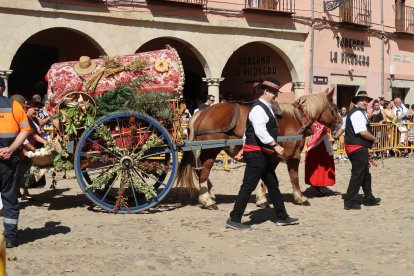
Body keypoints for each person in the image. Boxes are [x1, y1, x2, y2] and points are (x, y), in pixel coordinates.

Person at [226, 78, 299, 230]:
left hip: (262, 154)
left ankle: (281, 216)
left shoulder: (266, 108)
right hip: (257, 154)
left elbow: (248, 131)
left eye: (276, 93)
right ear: (266, 91)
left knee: (273, 184)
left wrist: (244, 147)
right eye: (273, 93)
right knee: (248, 186)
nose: (275, 96)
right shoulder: (259, 109)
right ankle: (234, 218)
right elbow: (259, 131)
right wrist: (275, 145)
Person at [0, 78, 31, 248]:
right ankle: (11, 237)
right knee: (10, 198)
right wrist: (10, 149)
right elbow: (26, 130)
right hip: (8, 160)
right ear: (3, 88)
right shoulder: (14, 106)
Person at [342, 89, 380, 210]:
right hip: (356, 147)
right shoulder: (357, 113)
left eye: (366, 100)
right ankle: (350, 201)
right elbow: (362, 132)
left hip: (358, 147)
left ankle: (369, 197)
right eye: (362, 100)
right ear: (357, 101)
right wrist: (374, 139)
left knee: (365, 174)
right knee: (358, 174)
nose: (364, 102)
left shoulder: (358, 113)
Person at [305, 121, 335, 196]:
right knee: (320, 168)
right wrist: (330, 151)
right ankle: (318, 186)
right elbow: (325, 138)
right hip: (321, 150)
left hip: (313, 148)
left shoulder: (313, 122)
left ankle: (316, 185)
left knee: (314, 167)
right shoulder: (323, 126)